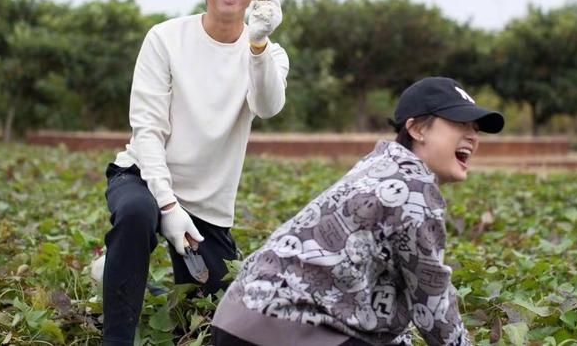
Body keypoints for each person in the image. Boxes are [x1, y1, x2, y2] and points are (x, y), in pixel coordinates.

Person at [211, 77, 504, 346]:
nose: (473, 136)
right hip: (286, 329)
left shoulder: (378, 167)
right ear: (416, 129)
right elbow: (433, 306)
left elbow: (386, 298)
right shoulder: (414, 187)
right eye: (460, 124)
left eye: (476, 129)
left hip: (236, 320)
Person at [100, 0, 289, 346]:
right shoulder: (165, 38)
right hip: (146, 178)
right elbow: (147, 128)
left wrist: (256, 45)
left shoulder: (270, 54)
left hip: (209, 205)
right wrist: (167, 204)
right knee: (135, 216)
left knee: (214, 318)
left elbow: (268, 105)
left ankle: (121, 272)